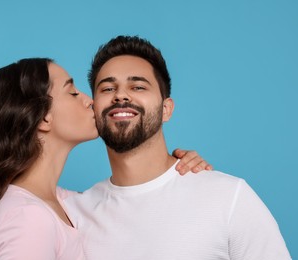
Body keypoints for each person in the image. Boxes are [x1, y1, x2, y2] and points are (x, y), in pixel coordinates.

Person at [64, 36, 291, 260]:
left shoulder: (229, 197)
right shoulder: (71, 213)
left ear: (166, 109)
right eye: (107, 89)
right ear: (94, 109)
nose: (120, 95)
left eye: (138, 86)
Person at [0, 58, 210, 260]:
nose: (89, 101)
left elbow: (128, 202)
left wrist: (177, 166)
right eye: (72, 92)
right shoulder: (29, 218)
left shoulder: (63, 203)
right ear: (44, 117)